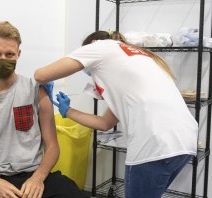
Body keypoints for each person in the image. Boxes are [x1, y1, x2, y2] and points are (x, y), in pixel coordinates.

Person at [34, 31, 198, 198]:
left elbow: (41, 75)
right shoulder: (136, 58)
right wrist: (68, 112)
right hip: (185, 141)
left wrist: (45, 82)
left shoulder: (99, 46)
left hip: (154, 142)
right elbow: (105, 123)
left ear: (94, 43)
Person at [0, 21, 87, 198]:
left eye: (9, 54)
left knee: (71, 193)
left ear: (18, 54)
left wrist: (38, 178)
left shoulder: (36, 91)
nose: (3, 59)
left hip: (32, 174)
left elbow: (52, 146)